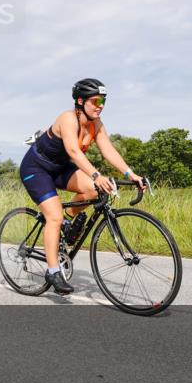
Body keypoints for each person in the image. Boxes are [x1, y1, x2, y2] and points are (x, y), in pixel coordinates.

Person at [19, 78, 145, 295]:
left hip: (60, 168)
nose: (100, 105)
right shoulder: (68, 119)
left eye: (103, 101)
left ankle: (66, 223)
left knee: (94, 190)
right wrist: (96, 174)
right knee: (54, 216)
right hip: (36, 168)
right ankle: (53, 271)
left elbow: (108, 151)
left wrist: (130, 173)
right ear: (80, 101)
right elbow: (74, 152)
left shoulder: (97, 124)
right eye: (95, 101)